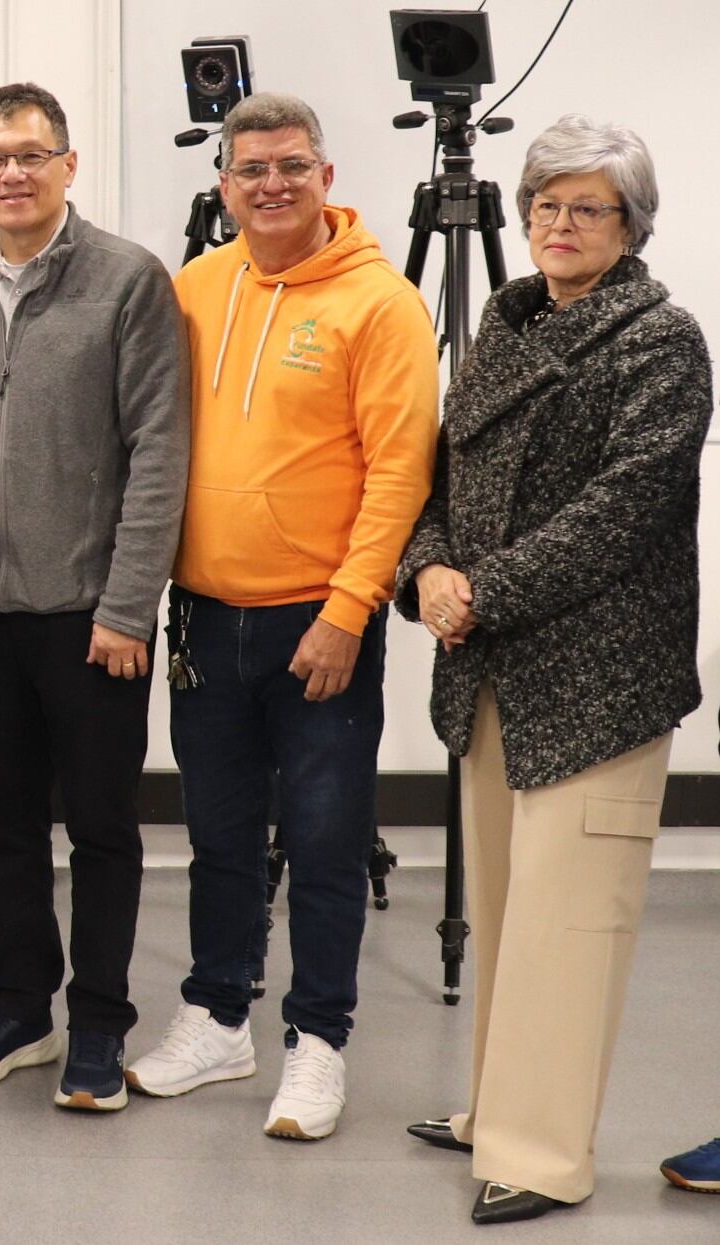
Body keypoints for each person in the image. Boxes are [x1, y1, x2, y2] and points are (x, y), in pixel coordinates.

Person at [398, 115, 710, 1225]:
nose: (559, 225)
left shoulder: (660, 342)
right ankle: (494, 1109)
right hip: (487, 668)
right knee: (504, 909)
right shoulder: (504, 320)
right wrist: (428, 566)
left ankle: (541, 1155)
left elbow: (624, 508)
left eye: (587, 208)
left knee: (567, 928)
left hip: (595, 677)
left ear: (630, 226)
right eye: (544, 205)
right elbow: (438, 472)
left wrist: (479, 590)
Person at [128, 93, 437, 1140]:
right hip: (207, 619)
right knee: (217, 837)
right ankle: (219, 1017)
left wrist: (350, 611)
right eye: (249, 168)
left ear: (325, 178)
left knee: (324, 839)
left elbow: (400, 474)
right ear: (222, 185)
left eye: (290, 166)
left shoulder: (380, 304)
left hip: (320, 622)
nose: (270, 185)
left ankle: (318, 1041)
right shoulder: (194, 288)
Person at [0, 83, 188, 1111]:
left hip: (91, 618)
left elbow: (159, 452)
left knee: (104, 829)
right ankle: (20, 1011)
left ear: (68, 166)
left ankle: (101, 1026)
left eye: (33, 154)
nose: (14, 173)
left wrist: (128, 606)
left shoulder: (126, 281)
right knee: (1, 830)